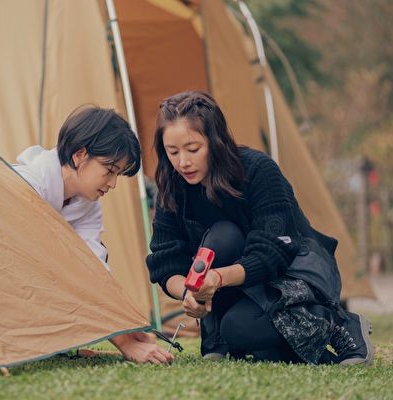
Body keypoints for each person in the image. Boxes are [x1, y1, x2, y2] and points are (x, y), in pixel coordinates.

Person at [146, 91, 374, 365]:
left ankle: (337, 323)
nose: (183, 162)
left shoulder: (257, 170)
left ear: (215, 142)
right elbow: (165, 261)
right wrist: (190, 293)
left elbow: (273, 252)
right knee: (242, 329)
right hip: (236, 288)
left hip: (291, 274)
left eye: (193, 149)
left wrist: (215, 280)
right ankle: (222, 330)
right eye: (173, 152)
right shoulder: (170, 188)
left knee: (225, 239)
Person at [13, 105, 174, 365]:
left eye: (118, 174)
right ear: (79, 155)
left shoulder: (88, 206)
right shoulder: (28, 185)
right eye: (110, 170)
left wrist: (126, 324)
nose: (112, 184)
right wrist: (123, 342)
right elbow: (58, 266)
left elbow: (94, 269)